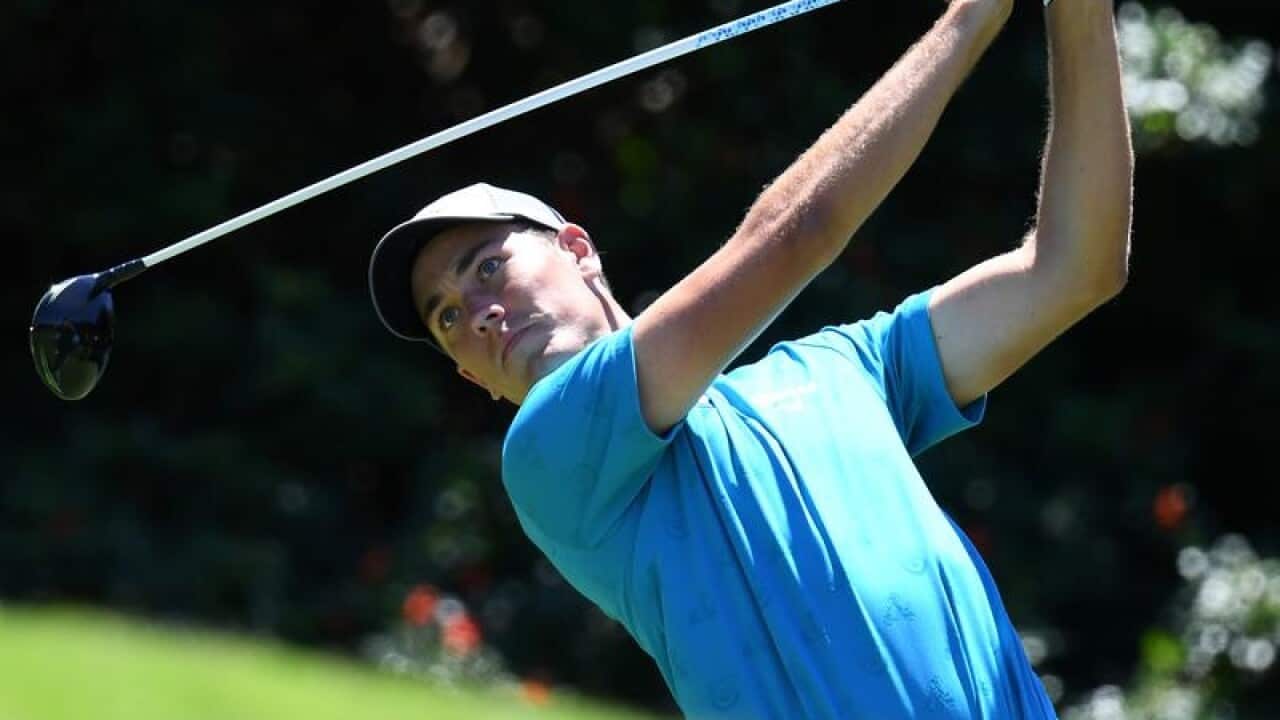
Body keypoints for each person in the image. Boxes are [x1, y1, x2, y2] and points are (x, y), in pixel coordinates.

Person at [367, 0, 1132, 716]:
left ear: (578, 249)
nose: (480, 313)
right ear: (473, 377)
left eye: (487, 266)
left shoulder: (843, 367)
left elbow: (1074, 271)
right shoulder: (548, 454)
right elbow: (797, 232)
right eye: (449, 318)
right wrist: (972, 17)